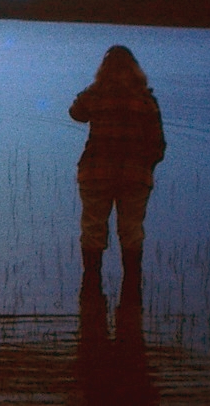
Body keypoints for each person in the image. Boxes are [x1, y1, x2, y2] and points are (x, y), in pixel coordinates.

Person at [70, 45, 166, 299]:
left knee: (93, 229)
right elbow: (158, 145)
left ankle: (91, 287)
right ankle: (131, 290)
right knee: (131, 231)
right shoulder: (145, 100)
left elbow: (76, 113)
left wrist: (94, 87)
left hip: (96, 173)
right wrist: (146, 168)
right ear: (135, 69)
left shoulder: (96, 95)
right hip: (135, 176)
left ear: (103, 70)